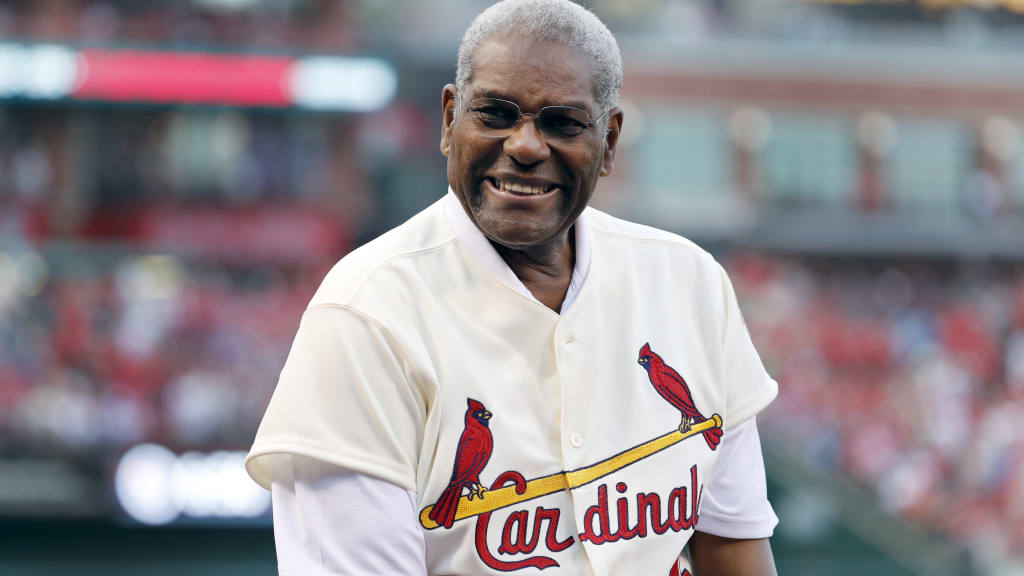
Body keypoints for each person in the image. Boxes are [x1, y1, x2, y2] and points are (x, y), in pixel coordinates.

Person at [245, 1, 779, 574]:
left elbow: (734, 545)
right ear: (450, 121)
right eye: (496, 114)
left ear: (610, 140)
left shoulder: (690, 283)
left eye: (563, 122)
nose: (526, 146)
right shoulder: (366, 313)